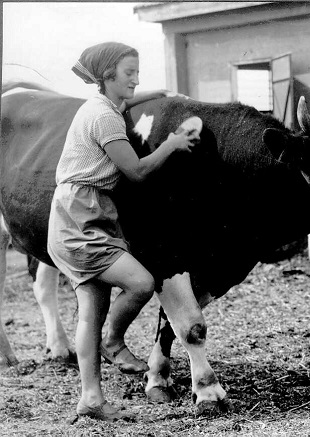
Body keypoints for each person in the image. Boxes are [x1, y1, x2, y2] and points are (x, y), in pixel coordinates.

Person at [47, 42, 198, 421]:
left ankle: (91, 399)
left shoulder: (103, 105)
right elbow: (137, 171)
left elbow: (126, 101)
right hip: (82, 216)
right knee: (141, 283)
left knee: (90, 314)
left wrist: (159, 93)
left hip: (78, 211)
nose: (136, 79)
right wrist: (172, 144)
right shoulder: (105, 117)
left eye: (137, 72)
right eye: (129, 73)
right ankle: (113, 341)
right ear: (107, 75)